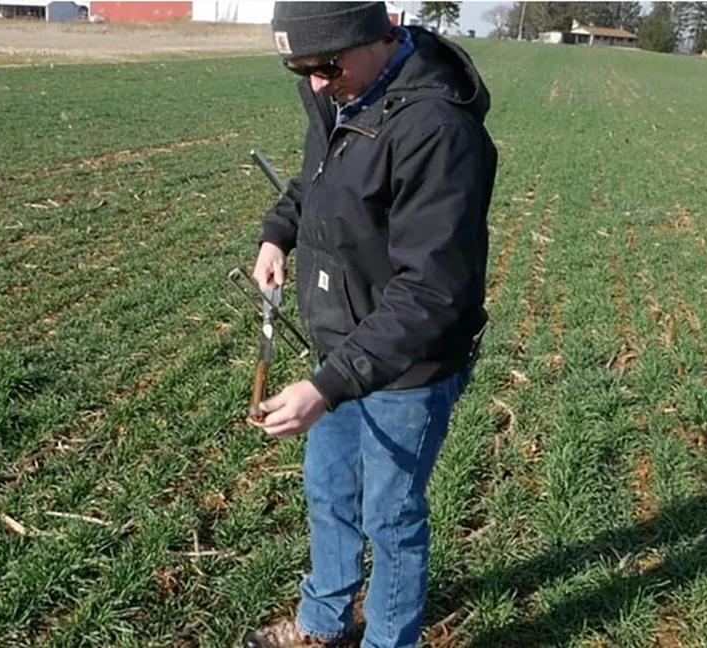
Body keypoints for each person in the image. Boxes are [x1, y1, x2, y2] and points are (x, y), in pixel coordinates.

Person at [244, 3, 497, 647]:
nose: (316, 83)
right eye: (299, 70)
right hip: (342, 346)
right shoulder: (339, 89)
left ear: (376, 38)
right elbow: (317, 180)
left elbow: (432, 292)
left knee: (391, 518)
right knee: (329, 494)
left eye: (325, 66)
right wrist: (278, 235)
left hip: (407, 364)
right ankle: (322, 625)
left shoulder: (436, 130)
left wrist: (327, 387)